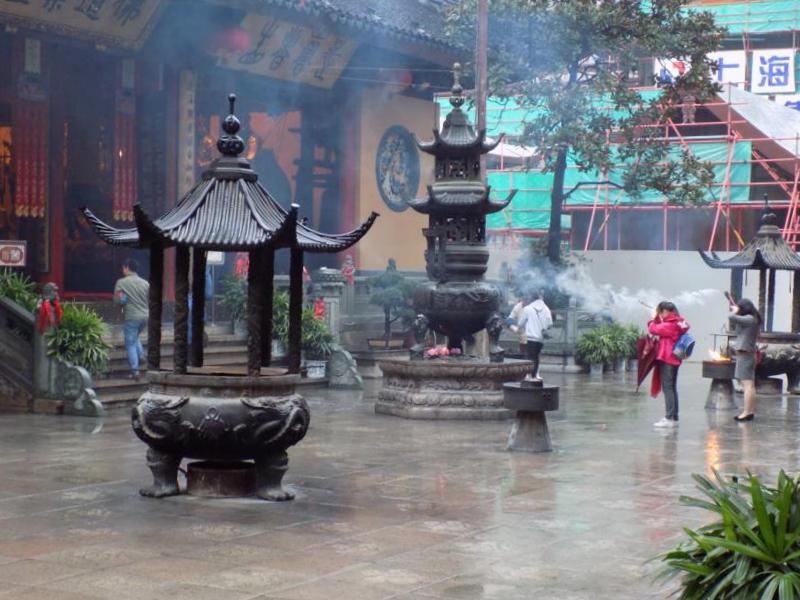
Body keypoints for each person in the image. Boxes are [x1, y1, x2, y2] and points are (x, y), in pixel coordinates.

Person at [648, 301, 690, 428]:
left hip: (667, 358)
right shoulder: (678, 322)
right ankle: (674, 417)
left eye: (661, 312)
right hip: (674, 359)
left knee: (668, 388)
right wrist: (658, 318)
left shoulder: (670, 325)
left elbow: (653, 329)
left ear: (666, 311)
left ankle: (669, 418)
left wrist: (653, 318)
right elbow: (661, 326)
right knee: (672, 388)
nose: (660, 314)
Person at [114, 258, 150, 380]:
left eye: (123, 267)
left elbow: (118, 300)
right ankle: (141, 354)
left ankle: (135, 371)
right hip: (145, 316)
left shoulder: (121, 282)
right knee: (134, 337)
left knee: (130, 344)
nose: (122, 269)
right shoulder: (145, 283)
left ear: (127, 268)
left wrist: (123, 300)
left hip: (132, 316)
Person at [729, 298, 761, 422]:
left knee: (748, 385)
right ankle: (749, 411)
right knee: (749, 385)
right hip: (746, 354)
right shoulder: (751, 319)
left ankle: (747, 412)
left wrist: (735, 311)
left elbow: (731, 317)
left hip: (745, 354)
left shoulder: (749, 319)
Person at [513, 290, 552, 381]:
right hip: (541, 338)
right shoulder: (546, 309)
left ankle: (530, 376)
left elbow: (520, 323)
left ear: (532, 298)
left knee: (530, 357)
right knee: (536, 356)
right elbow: (550, 324)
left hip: (531, 338)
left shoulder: (528, 308)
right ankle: (534, 376)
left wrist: (519, 328)